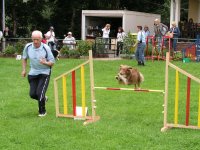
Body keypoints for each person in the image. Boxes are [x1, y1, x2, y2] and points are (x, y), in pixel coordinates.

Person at [21, 30, 55, 117]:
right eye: (34, 39)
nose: (35, 41)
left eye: (37, 39)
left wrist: (45, 63)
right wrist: (24, 70)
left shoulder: (46, 48)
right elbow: (24, 58)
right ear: (32, 38)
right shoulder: (28, 47)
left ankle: (42, 112)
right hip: (33, 72)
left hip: (44, 72)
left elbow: (52, 63)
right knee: (32, 94)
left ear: (41, 39)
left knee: (40, 93)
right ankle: (44, 98)